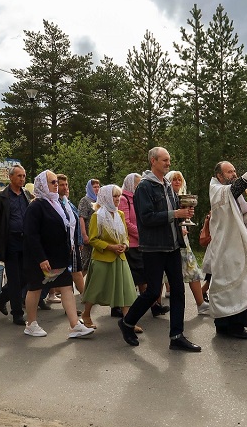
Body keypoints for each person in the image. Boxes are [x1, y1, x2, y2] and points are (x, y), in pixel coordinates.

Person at [118, 147, 200, 351]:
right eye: (164, 160)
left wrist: (183, 219)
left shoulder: (167, 185)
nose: (168, 164)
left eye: (169, 160)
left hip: (172, 246)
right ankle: (127, 322)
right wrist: (175, 214)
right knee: (153, 291)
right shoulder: (145, 187)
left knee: (179, 290)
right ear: (153, 161)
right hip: (153, 248)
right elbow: (146, 218)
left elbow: (173, 213)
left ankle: (177, 336)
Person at [19, 170, 94, 339]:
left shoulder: (57, 203)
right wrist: (41, 258)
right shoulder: (36, 205)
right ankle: (31, 324)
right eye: (52, 182)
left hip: (58, 257)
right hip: (41, 258)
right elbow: (31, 235)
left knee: (67, 287)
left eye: (55, 182)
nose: (56, 185)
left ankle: (75, 325)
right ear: (43, 185)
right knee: (35, 288)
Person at [204, 157, 247, 339]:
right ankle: (224, 325)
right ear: (219, 176)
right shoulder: (217, 189)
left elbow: (237, 220)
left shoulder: (233, 195)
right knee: (227, 283)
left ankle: (237, 325)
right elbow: (235, 187)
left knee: (241, 283)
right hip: (225, 246)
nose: (234, 174)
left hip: (236, 244)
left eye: (234, 171)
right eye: (229, 172)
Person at [82, 184, 139, 329]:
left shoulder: (120, 214)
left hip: (120, 258)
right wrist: (111, 247)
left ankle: (128, 322)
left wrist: (125, 246)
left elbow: (125, 236)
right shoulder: (97, 216)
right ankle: (86, 314)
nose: (118, 199)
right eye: (114, 196)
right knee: (95, 290)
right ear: (106, 197)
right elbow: (93, 239)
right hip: (103, 259)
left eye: (119, 196)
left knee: (126, 290)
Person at [0, 165, 29, 326]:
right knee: (14, 277)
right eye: (19, 176)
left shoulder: (26, 195)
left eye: (24, 176)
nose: (22, 179)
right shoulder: (0, 197)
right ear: (11, 177)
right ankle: (17, 313)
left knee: (26, 277)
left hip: (25, 242)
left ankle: (2, 296)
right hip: (10, 242)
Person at [165, 170, 209, 315]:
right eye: (174, 179)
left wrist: (186, 220)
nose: (177, 182)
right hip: (169, 242)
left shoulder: (182, 198)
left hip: (183, 242)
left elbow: (182, 219)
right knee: (162, 276)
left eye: (179, 179)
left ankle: (201, 304)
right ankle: (155, 305)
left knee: (192, 270)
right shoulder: (166, 198)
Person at [119, 173, 146, 317]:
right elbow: (126, 223)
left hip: (139, 243)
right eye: (137, 184)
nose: (139, 186)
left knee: (141, 276)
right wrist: (142, 233)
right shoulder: (124, 199)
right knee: (133, 278)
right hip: (131, 243)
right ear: (130, 184)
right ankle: (123, 308)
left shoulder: (136, 198)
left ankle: (152, 305)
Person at [57, 174, 85, 295]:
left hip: (72, 243)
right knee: (73, 272)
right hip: (63, 244)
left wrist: (79, 240)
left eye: (66, 184)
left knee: (74, 272)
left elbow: (74, 222)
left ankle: (82, 299)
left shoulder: (67, 202)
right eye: (61, 185)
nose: (64, 187)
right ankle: (86, 298)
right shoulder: (55, 203)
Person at [78, 179, 100, 275]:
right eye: (94, 187)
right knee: (85, 262)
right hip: (88, 234)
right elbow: (82, 218)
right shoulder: (85, 200)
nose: (97, 189)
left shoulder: (99, 200)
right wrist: (84, 235)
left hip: (98, 235)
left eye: (98, 186)